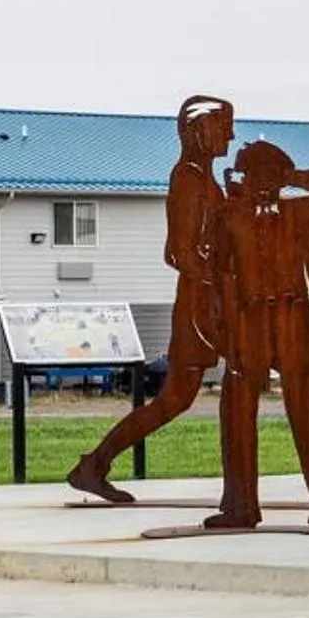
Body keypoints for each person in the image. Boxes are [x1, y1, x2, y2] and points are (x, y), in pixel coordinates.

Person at [64, 96, 234, 504]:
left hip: (218, 301)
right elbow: (177, 252)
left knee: (189, 396)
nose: (230, 134)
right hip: (200, 306)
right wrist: (217, 280)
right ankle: (95, 464)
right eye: (223, 125)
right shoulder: (189, 179)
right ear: (198, 131)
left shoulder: (208, 179)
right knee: (177, 399)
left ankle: (95, 465)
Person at [209, 139, 309, 529]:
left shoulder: (306, 212)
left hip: (294, 316)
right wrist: (226, 334)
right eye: (252, 174)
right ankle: (239, 505)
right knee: (236, 411)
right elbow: (221, 278)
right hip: (248, 321)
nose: (260, 183)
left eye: (270, 174)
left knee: (307, 411)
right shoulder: (229, 217)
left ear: (283, 177)